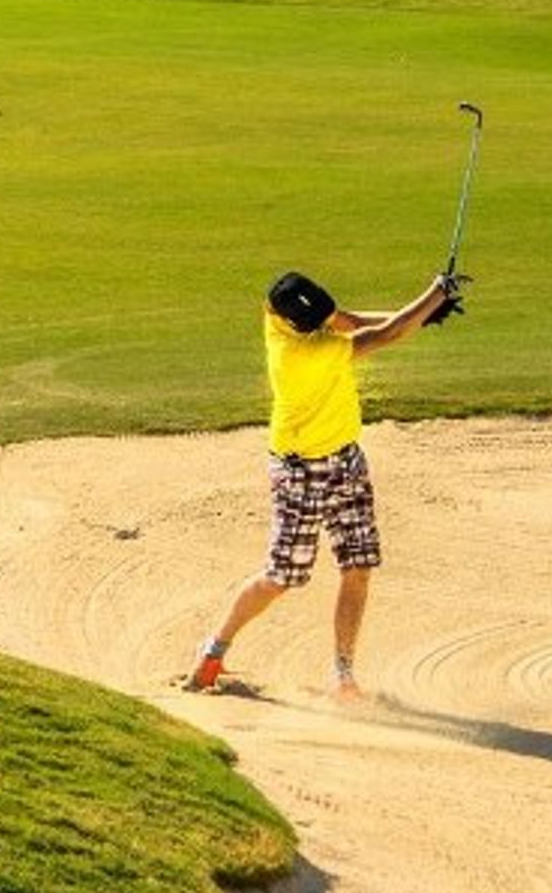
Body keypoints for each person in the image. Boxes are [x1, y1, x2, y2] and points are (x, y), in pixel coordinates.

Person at [184, 269, 463, 700]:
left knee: (358, 565)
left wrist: (426, 312)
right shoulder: (302, 355)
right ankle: (213, 650)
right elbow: (384, 335)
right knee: (283, 578)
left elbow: (348, 319)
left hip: (345, 459)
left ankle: (343, 674)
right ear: (294, 325)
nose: (325, 325)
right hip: (300, 472)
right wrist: (433, 295)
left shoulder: (276, 313)